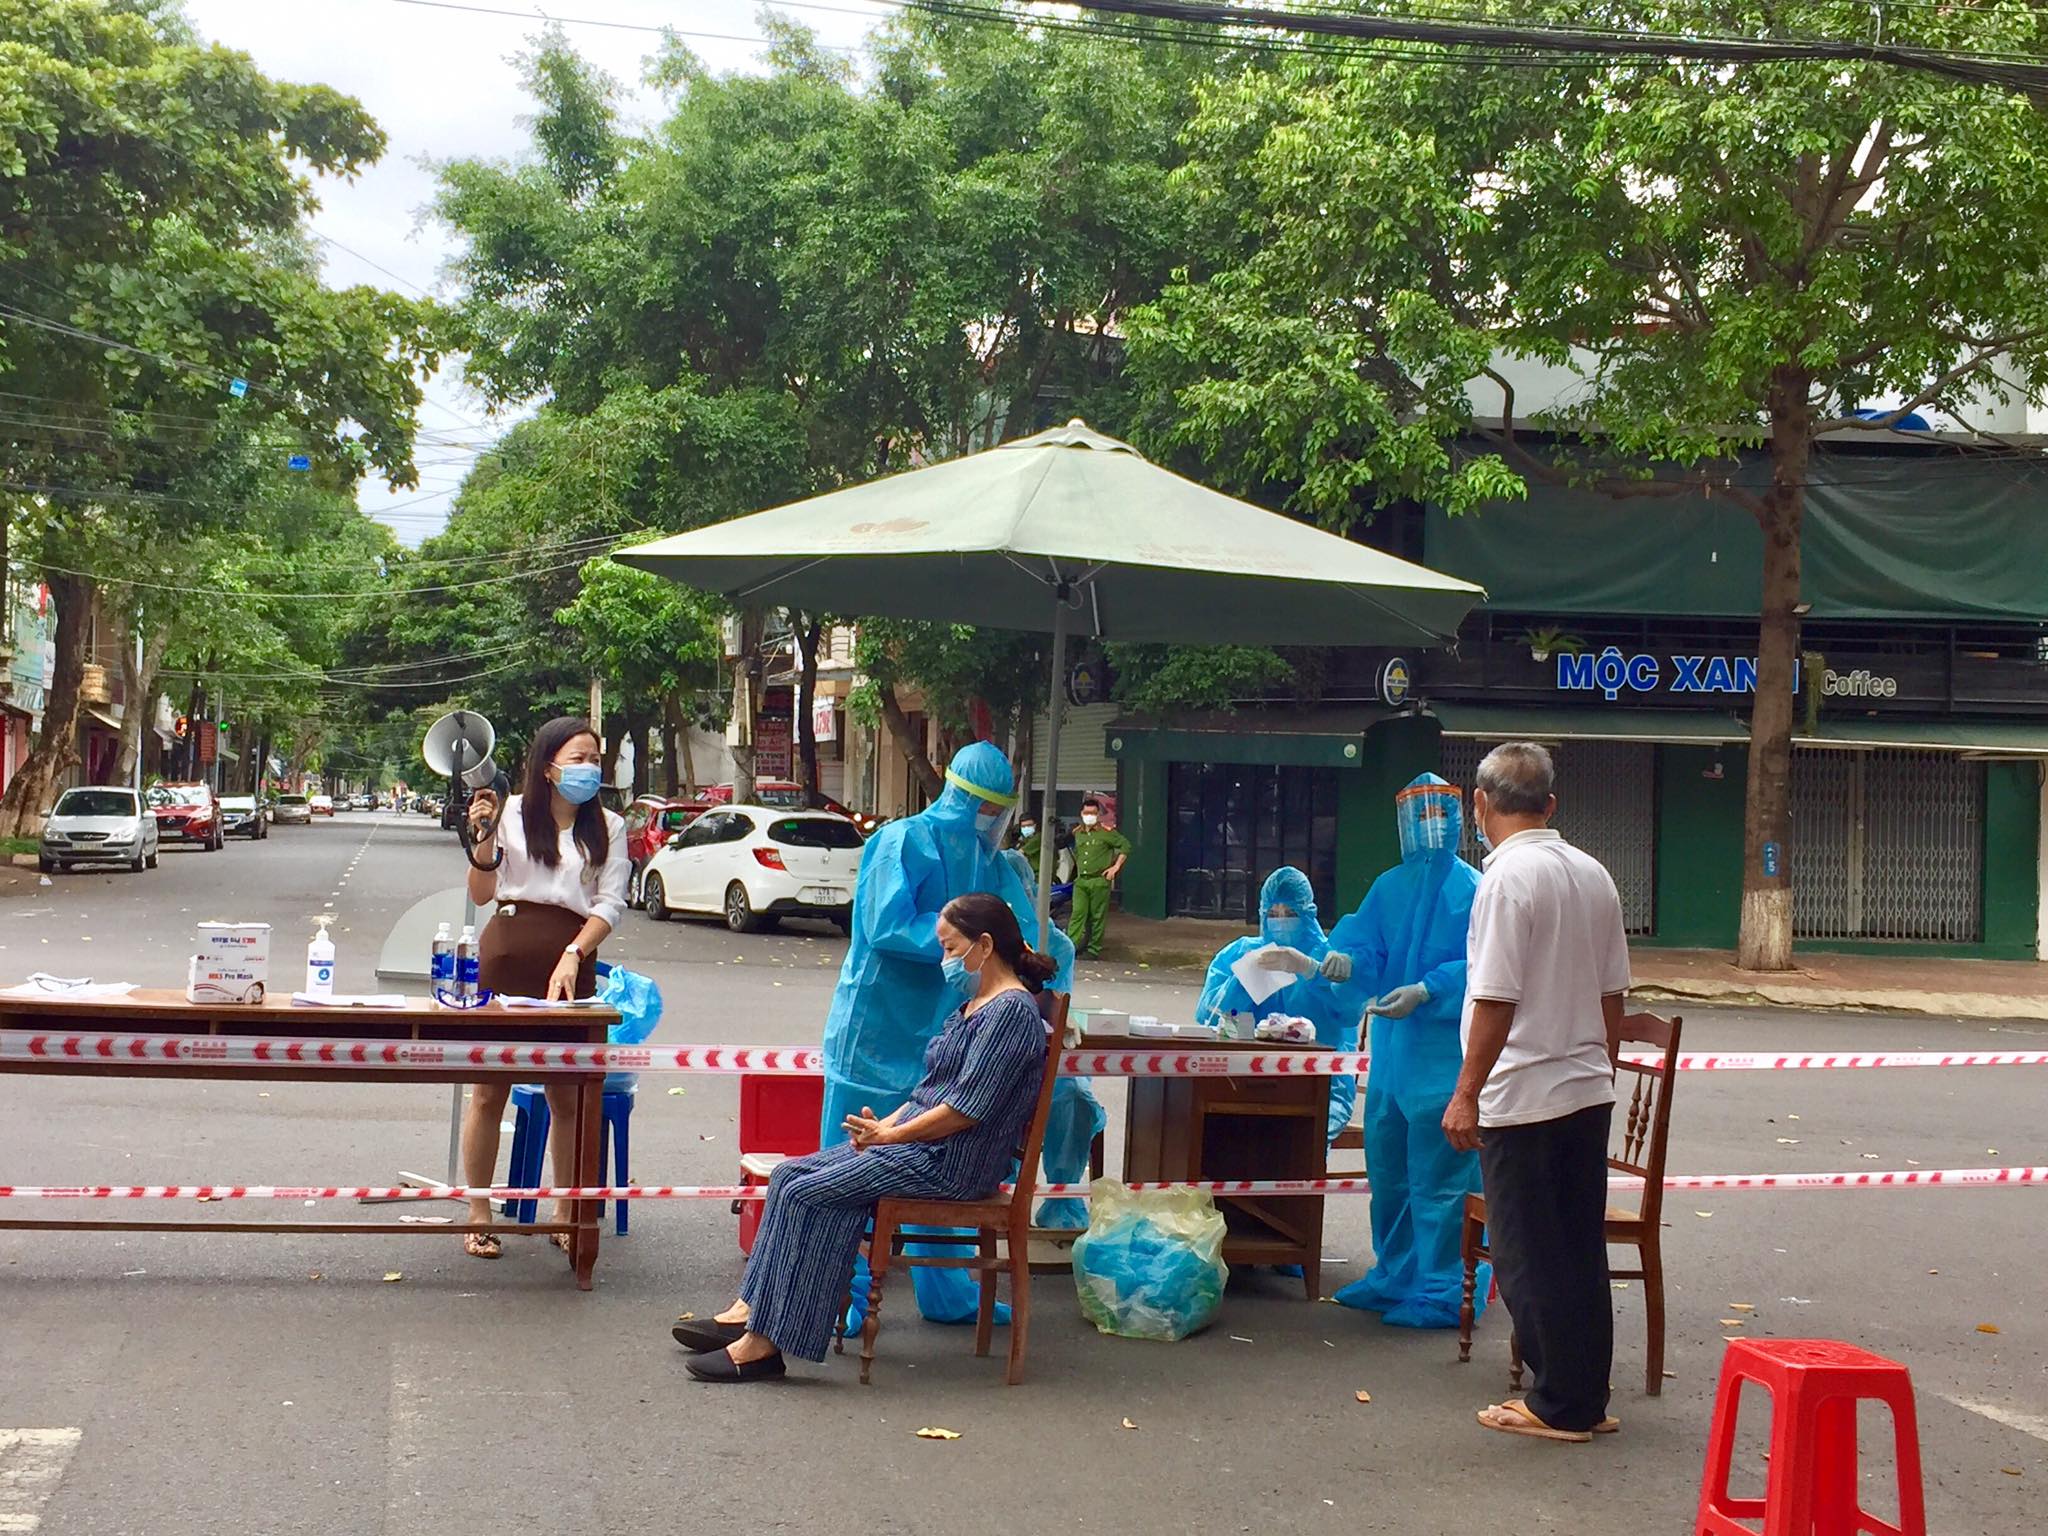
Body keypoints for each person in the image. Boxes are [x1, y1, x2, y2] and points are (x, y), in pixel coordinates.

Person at [673, 893, 1055, 1381]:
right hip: (925, 1146)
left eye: (950, 946)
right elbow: (928, 1092)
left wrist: (891, 1138)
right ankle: (752, 1314)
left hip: (952, 1162)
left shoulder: (1009, 1014)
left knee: (811, 1192)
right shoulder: (973, 1006)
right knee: (790, 1175)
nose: (945, 959)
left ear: (984, 944)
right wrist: (885, 1128)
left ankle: (765, 1343)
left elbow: (963, 1110)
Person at [816, 740, 1071, 1325]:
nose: (992, 823)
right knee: (845, 1168)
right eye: (989, 810)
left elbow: (1029, 939)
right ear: (969, 800)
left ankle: (950, 1293)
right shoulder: (901, 841)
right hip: (876, 1030)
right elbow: (886, 926)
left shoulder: (991, 863)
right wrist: (964, 950)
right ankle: (837, 1297)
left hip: (943, 1039)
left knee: (936, 1168)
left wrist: (1036, 953)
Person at [1443, 743, 1630, 1443]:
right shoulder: (1593, 874)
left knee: (1525, 1253)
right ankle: (1584, 1396)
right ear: (1550, 805)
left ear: (1479, 805)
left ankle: (1556, 1403)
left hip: (1524, 1094)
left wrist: (1467, 1094)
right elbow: (1614, 994)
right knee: (1578, 1248)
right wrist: (1599, 1068)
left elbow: (1495, 999)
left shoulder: (1506, 882)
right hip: (1586, 1090)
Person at [457, 715, 630, 1259]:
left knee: (567, 1094)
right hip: (504, 959)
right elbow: (483, 892)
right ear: (549, 767)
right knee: (489, 1091)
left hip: (571, 964)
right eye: (578, 758)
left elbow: (610, 903)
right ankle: (480, 1213)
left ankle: (564, 1210)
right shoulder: (510, 813)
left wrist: (574, 954)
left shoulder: (610, 826)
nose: (589, 769)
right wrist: (482, 838)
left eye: (594, 759)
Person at [1325, 773, 1488, 1329]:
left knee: (1442, 1178)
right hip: (1394, 1059)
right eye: (1418, 813)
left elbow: (1486, 966)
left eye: (1439, 811)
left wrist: (1429, 989)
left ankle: (1446, 1288)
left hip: (1445, 1057)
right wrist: (1346, 961)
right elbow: (1359, 942)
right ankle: (1394, 1271)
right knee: (1390, 1169)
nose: (1430, 824)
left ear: (1460, 817)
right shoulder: (1388, 887)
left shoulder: (1476, 888)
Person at [1193, 866, 1358, 1142]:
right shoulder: (1240, 952)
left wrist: (1311, 971)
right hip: (1247, 1076)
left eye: (1290, 913)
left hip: (1320, 1082)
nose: (1280, 920)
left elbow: (1351, 1009)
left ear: (1308, 913)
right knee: (1218, 1131)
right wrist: (1243, 980)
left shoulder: (1329, 957)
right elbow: (1208, 1017)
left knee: (1297, 1138)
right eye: (1273, 913)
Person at [1067, 797, 1130, 960]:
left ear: (1098, 814)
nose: (1090, 816)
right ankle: (1071, 947)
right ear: (1081, 813)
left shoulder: (1106, 833)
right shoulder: (1077, 833)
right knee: (1078, 914)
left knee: (1097, 916)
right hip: (1081, 880)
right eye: (1087, 812)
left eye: (1093, 813)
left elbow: (1125, 846)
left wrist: (1115, 867)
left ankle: (1093, 949)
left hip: (1099, 880)